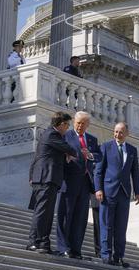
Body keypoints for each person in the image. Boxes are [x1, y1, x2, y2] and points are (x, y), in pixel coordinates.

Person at [27, 111, 77, 254]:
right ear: (61, 124)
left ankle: (44, 243)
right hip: (45, 178)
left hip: (49, 179)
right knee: (42, 212)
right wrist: (69, 153)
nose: (68, 128)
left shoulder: (51, 136)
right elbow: (71, 150)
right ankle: (33, 241)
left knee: (47, 213)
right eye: (67, 125)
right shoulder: (52, 134)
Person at [94, 121, 139, 268]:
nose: (117, 134)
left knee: (121, 227)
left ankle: (119, 256)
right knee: (106, 224)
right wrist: (98, 189)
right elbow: (98, 171)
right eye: (115, 131)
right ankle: (106, 254)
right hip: (108, 191)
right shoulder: (106, 147)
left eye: (121, 132)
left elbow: (135, 172)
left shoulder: (132, 150)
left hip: (124, 192)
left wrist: (138, 191)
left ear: (126, 133)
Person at [57, 111, 101, 259]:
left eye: (83, 123)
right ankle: (63, 247)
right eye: (78, 122)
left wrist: (90, 155)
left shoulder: (92, 140)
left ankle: (76, 249)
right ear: (74, 122)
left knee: (81, 218)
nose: (80, 126)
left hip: (85, 183)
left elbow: (99, 155)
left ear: (88, 125)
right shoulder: (66, 136)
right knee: (65, 215)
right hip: (69, 181)